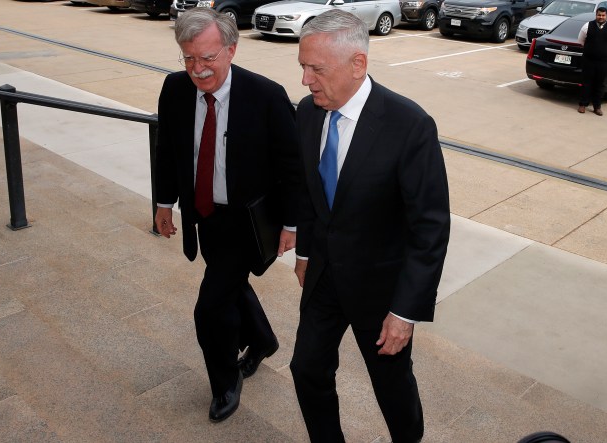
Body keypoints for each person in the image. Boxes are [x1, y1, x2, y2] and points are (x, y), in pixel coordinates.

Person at [290, 10, 451, 443]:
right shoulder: (307, 113)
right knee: (306, 369)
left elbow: (430, 228)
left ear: (357, 64)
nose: (306, 80)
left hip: (382, 293)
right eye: (303, 66)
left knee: (391, 386)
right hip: (324, 277)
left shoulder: (409, 125)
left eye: (316, 69)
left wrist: (405, 311)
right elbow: (308, 191)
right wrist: (305, 252)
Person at [154, 8, 299, 422]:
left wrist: (291, 224)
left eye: (208, 58)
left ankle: (225, 383)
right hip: (204, 213)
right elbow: (167, 151)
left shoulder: (266, 95)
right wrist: (164, 203)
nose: (197, 70)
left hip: (247, 222)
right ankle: (264, 340)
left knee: (210, 308)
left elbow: (291, 166)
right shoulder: (174, 88)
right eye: (188, 59)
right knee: (229, 283)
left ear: (231, 50)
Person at [577, 7, 607, 116]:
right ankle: (583, 105)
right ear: (596, 15)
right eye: (599, 15)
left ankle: (597, 107)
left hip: (603, 62)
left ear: (606, 16)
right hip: (588, 60)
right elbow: (581, 40)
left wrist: (604, 51)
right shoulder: (587, 26)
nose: (601, 17)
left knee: (600, 84)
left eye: (603, 15)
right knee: (586, 83)